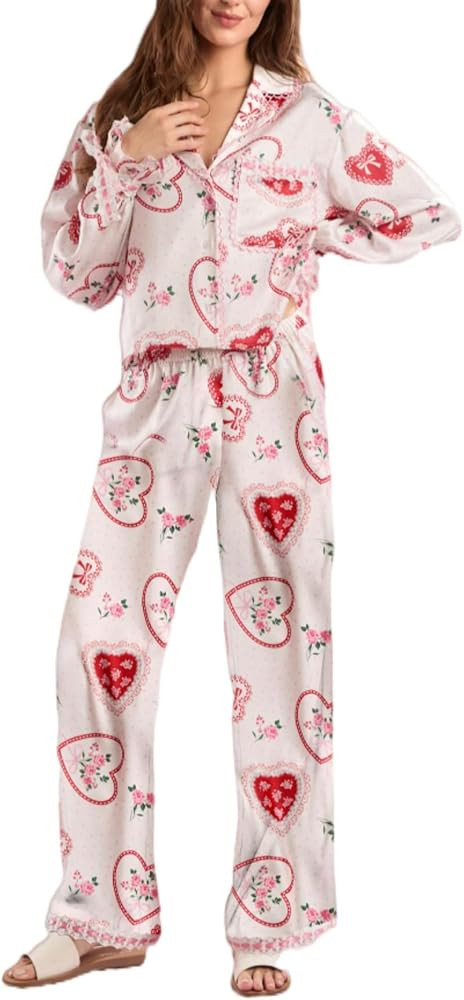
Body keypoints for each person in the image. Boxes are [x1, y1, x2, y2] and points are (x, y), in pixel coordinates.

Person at [3, 0, 461, 994]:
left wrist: (303, 237)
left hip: (271, 394)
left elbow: (428, 212)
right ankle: (101, 914)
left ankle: (271, 916)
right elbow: (73, 274)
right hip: (156, 398)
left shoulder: (309, 118)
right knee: (98, 642)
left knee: (284, 646)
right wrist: (125, 160)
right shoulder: (119, 118)